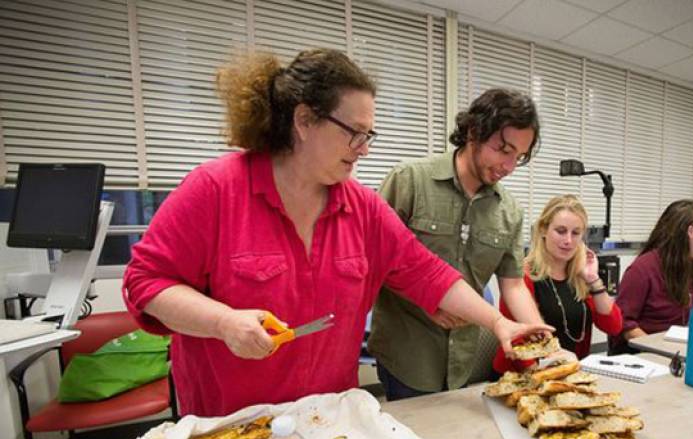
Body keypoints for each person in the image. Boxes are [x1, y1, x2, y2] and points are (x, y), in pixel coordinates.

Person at [122, 49, 550, 417]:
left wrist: (498, 323)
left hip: (329, 420)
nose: (364, 149)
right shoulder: (215, 189)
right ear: (304, 120)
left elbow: (428, 273)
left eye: (369, 135)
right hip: (230, 426)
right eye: (354, 134)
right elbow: (145, 283)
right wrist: (224, 322)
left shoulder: (362, 208)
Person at [367, 88, 546, 400]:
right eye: (503, 150)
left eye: (518, 157)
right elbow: (373, 260)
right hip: (407, 352)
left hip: (463, 356)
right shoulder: (410, 180)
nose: (509, 166)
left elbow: (514, 285)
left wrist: (541, 339)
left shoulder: (509, 211)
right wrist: (427, 298)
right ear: (474, 132)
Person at [492, 195, 623, 374]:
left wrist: (593, 280)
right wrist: (547, 376)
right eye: (561, 231)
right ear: (543, 230)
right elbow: (516, 339)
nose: (568, 240)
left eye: (575, 233)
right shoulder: (520, 276)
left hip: (570, 372)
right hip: (523, 375)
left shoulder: (579, 276)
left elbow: (613, 327)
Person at [610, 199, 693, 354]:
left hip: (681, 349)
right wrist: (663, 351)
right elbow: (624, 323)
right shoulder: (643, 268)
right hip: (647, 353)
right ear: (691, 232)